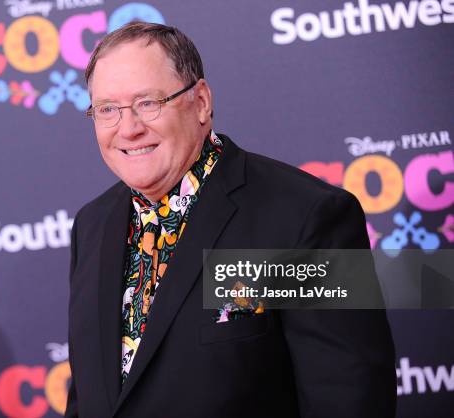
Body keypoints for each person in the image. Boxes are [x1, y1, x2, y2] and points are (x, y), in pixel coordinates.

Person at [65, 22, 396, 418]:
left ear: (201, 101)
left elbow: (349, 400)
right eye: (107, 110)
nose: (129, 128)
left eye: (148, 103)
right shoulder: (93, 225)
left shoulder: (304, 217)